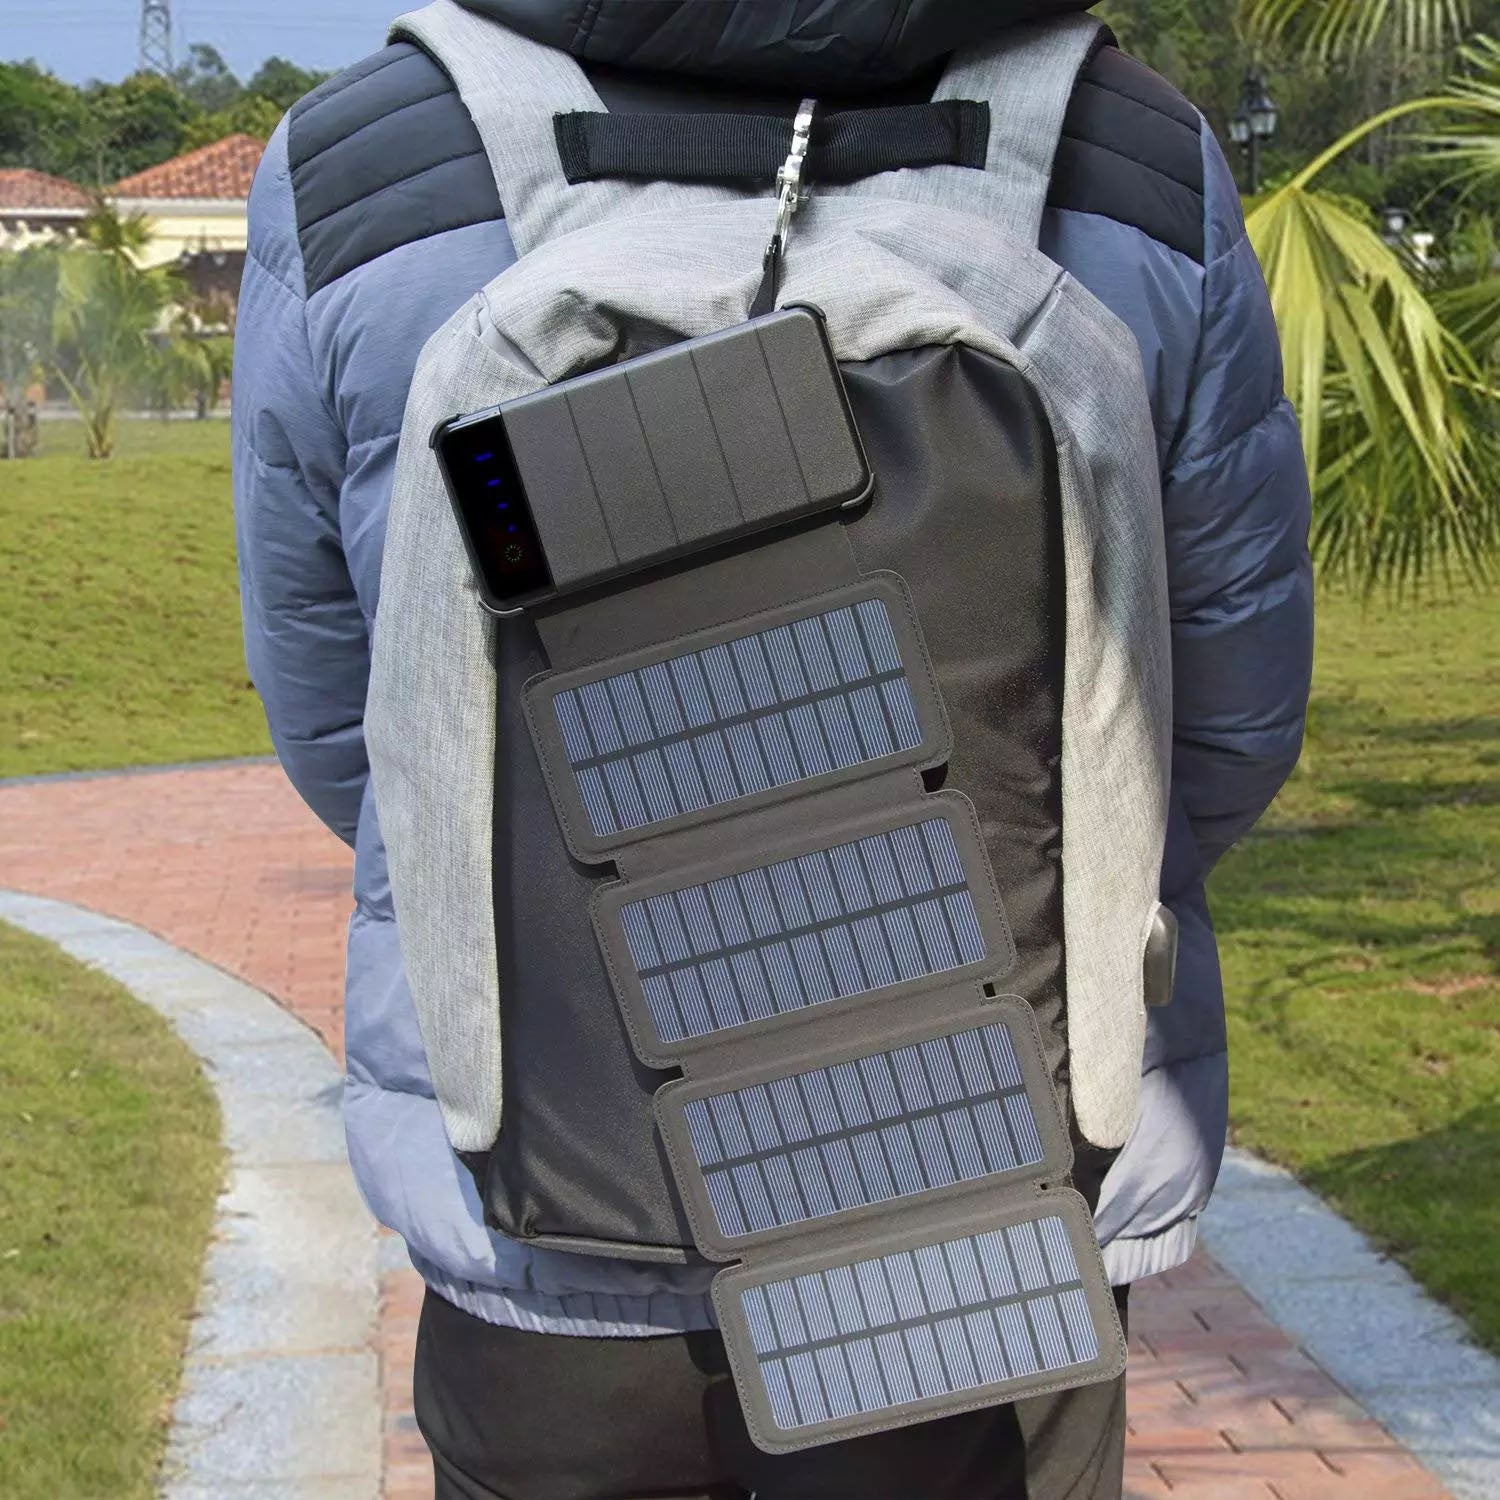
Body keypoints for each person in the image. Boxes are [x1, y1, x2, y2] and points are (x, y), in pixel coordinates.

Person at [233, 2, 1313, 1495]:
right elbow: (1222, 722)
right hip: (984, 1210)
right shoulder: (1130, 154)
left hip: (549, 1205)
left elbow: (352, 726)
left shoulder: (359, 167)